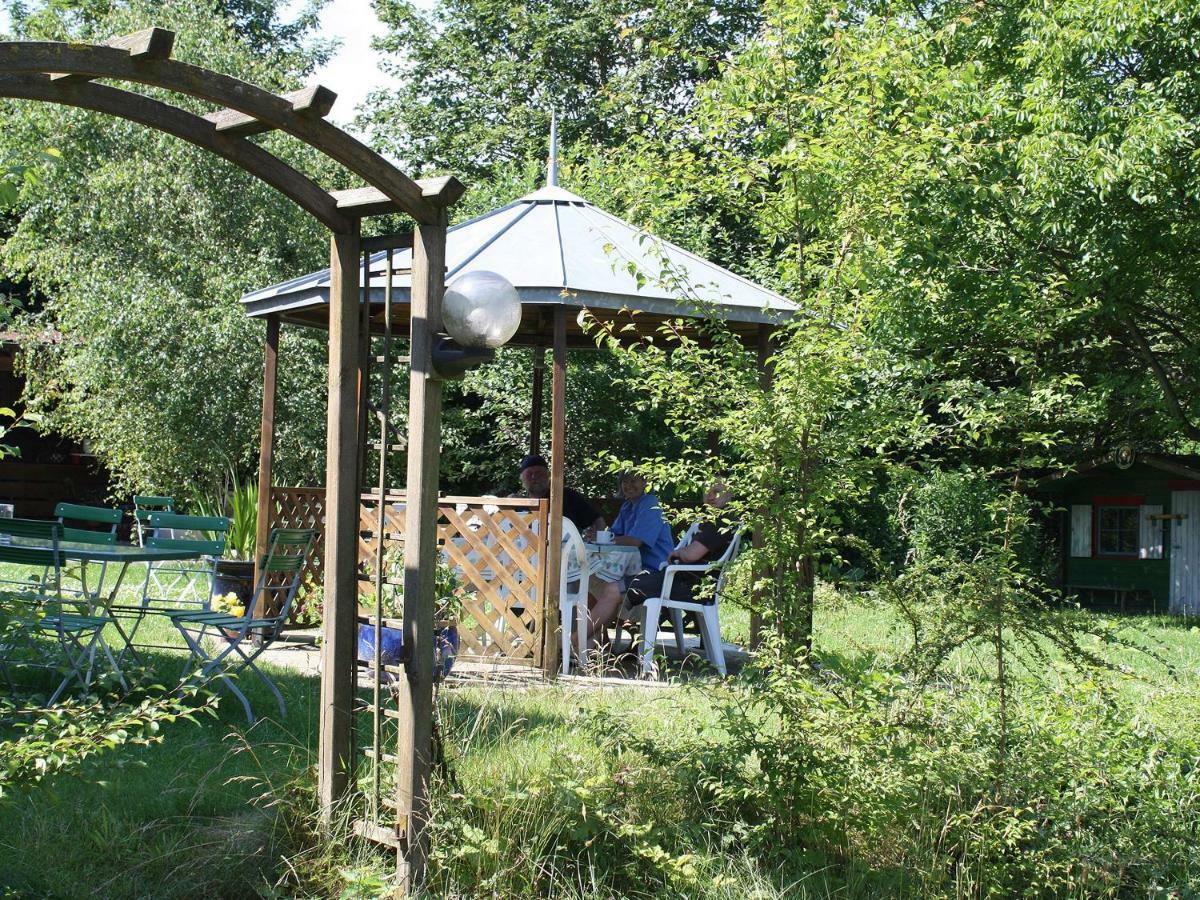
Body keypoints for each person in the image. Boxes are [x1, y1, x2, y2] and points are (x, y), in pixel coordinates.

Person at [584, 472, 674, 645]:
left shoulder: (650, 504)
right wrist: (597, 535)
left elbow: (635, 541)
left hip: (654, 571)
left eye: (634, 480)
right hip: (627, 568)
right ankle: (597, 640)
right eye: (625, 481)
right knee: (589, 580)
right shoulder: (627, 506)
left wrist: (603, 539)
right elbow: (614, 535)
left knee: (596, 583)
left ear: (645, 481)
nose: (629, 485)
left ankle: (583, 641)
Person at [625, 480, 736, 608]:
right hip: (684, 582)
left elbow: (691, 555)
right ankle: (622, 623)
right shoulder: (720, 519)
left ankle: (606, 625)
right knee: (620, 589)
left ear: (730, 494)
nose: (710, 496)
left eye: (716, 492)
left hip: (690, 587)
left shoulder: (722, 521)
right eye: (707, 492)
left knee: (620, 587)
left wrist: (678, 552)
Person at [517, 454, 604, 533]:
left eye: (539, 473)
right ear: (522, 478)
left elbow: (597, 520)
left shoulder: (567, 497)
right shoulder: (519, 504)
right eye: (529, 474)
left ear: (548, 475)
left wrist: (596, 535)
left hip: (566, 549)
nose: (534, 477)